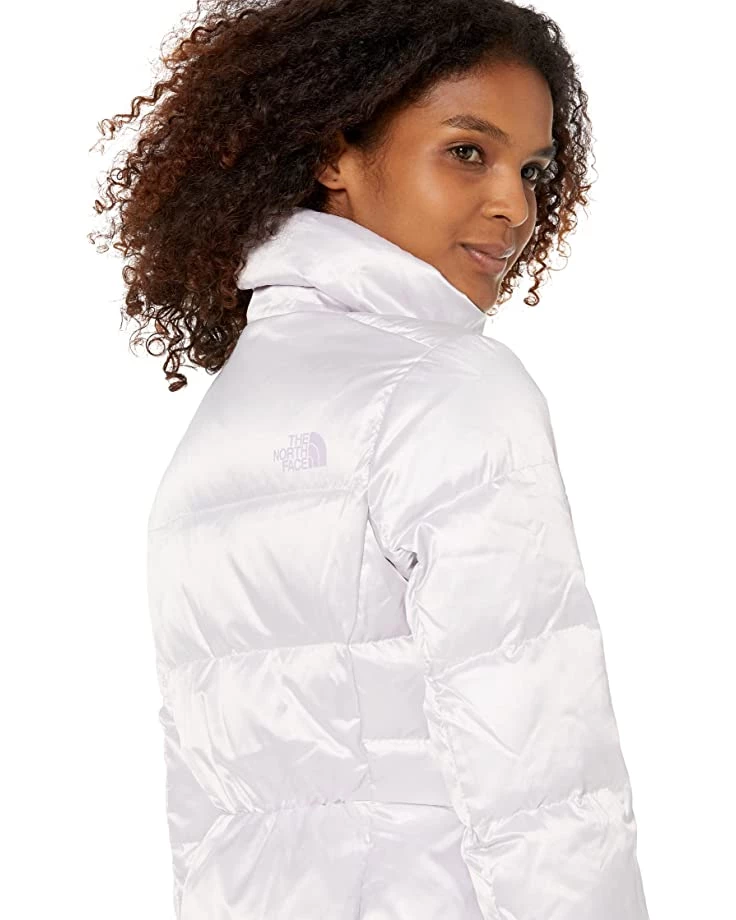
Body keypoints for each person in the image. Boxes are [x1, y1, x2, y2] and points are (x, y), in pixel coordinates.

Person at [91, 1, 651, 917]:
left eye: (531, 169)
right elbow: (542, 770)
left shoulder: (223, 421)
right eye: (467, 151)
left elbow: (205, 816)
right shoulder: (452, 386)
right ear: (333, 154)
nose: (515, 205)